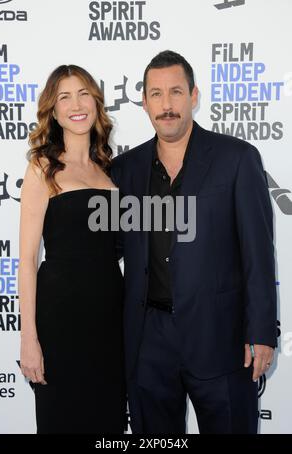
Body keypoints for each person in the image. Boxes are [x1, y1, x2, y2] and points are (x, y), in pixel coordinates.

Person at [111, 50, 277, 434]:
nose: (166, 105)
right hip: (148, 341)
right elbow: (110, 251)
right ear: (144, 101)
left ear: (194, 95)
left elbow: (258, 253)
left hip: (220, 338)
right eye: (156, 94)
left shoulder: (237, 159)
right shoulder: (125, 170)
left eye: (175, 92)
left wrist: (261, 332)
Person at [18, 65, 126, 434]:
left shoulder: (112, 171)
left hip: (111, 322)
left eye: (83, 94)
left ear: (96, 103)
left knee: (108, 424)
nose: (76, 104)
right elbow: (27, 261)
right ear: (54, 109)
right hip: (59, 323)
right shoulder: (42, 168)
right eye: (64, 96)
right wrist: (29, 339)